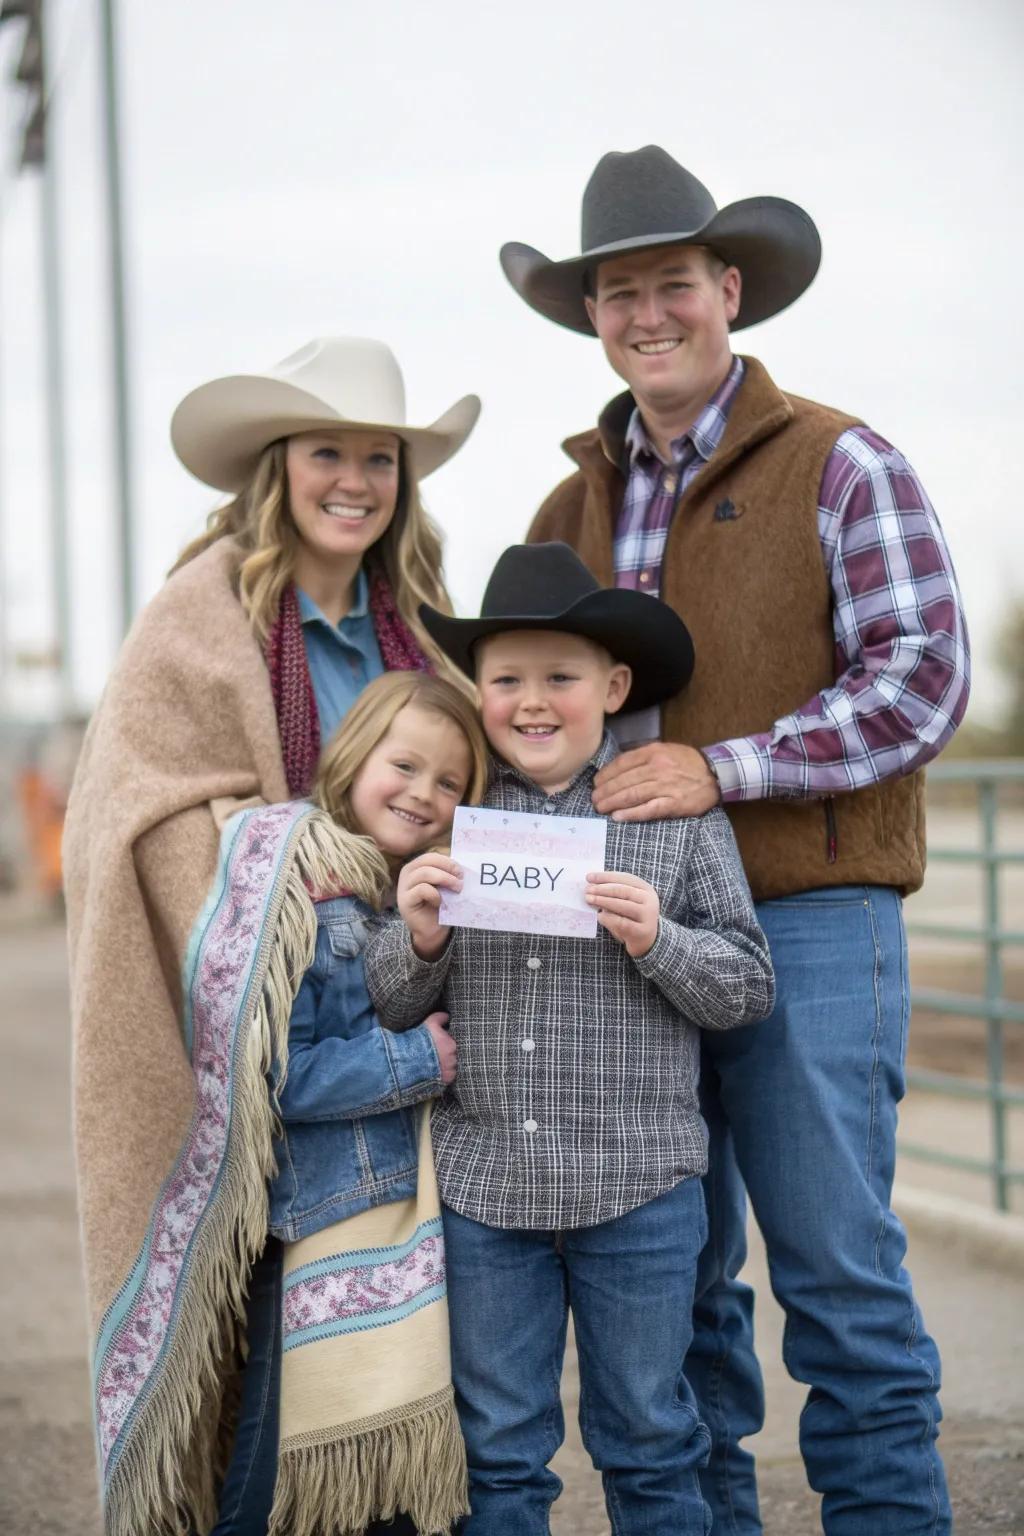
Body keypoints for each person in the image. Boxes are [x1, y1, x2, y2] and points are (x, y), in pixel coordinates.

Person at [501, 145, 970, 1534]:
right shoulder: (565, 509)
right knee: (677, 1299)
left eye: (672, 286)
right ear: (593, 316)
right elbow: (519, 717)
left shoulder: (843, 462)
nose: (647, 314)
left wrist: (723, 768)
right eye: (617, 293)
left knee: (836, 1280)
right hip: (627, 950)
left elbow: (922, 679)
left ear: (731, 290)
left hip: (812, 922)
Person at [62, 336, 480, 1536]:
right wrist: (294, 857)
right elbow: (123, 812)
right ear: (277, 465)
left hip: (401, 987)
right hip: (271, 1023)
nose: (353, 480)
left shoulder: (419, 623)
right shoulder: (203, 613)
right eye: (327, 454)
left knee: (392, 1364)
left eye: (379, 460)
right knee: (269, 1357)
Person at [364, 541, 775, 1535]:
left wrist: (659, 939)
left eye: (562, 677)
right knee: (498, 1450)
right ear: (479, 689)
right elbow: (385, 998)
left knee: (647, 1438)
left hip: (639, 1190)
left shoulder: (672, 826)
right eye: (507, 679)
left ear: (613, 685)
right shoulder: (454, 820)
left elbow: (750, 988)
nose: (533, 701)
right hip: (486, 1190)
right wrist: (416, 937)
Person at [263, 670, 488, 1536]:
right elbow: (280, 1077)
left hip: (428, 1212)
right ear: (354, 754)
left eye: (449, 783)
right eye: (405, 765)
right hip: (342, 1214)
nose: (423, 794)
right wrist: (412, 1060)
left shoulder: (436, 891)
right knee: (335, 1480)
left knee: (416, 1478)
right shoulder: (311, 898)